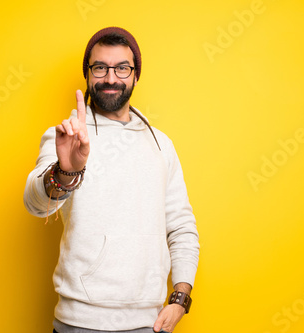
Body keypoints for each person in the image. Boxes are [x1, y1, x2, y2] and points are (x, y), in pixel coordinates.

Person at [24, 26, 200, 333]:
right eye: (100, 68)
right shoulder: (66, 136)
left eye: (121, 68)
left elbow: (181, 226)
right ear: (88, 74)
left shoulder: (161, 145)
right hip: (79, 323)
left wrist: (180, 298)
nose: (110, 78)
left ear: (135, 75)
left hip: (151, 323)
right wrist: (68, 171)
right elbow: (35, 204)